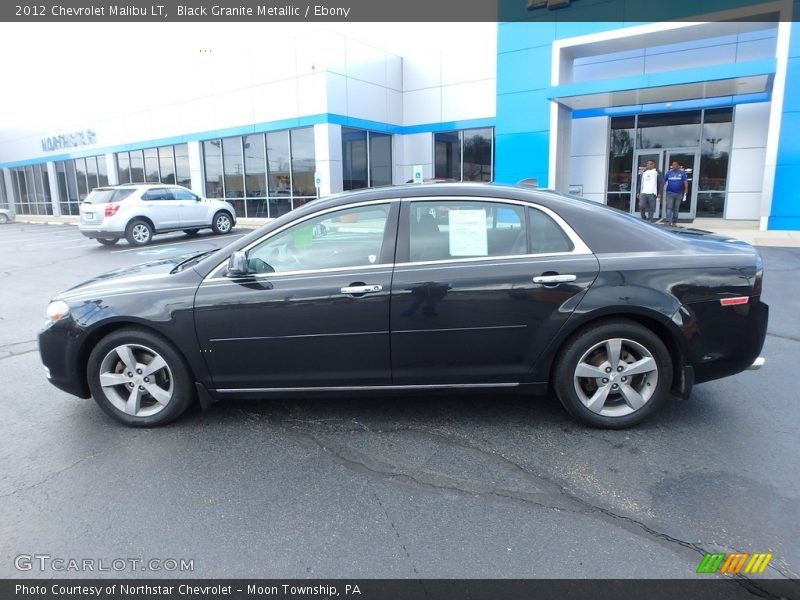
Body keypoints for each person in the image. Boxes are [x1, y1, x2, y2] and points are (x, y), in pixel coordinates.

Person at [663, 161, 688, 226]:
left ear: (678, 166)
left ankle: (674, 222)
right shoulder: (668, 173)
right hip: (670, 193)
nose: (673, 166)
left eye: (675, 165)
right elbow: (663, 181)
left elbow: (685, 182)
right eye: (672, 165)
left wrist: (686, 190)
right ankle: (668, 221)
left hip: (679, 193)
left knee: (676, 209)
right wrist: (660, 190)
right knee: (669, 207)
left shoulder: (682, 173)